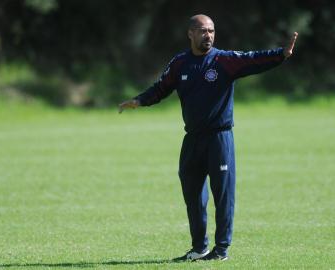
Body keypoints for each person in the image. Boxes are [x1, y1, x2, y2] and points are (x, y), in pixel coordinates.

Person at [119, 14, 298, 261]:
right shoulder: (180, 63)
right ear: (190, 34)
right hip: (192, 139)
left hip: (219, 139)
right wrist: (139, 101)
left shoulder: (224, 60)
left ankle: (221, 250)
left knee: (223, 196)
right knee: (192, 195)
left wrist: (281, 54)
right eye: (203, 31)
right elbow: (161, 88)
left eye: (212, 31)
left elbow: (252, 60)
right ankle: (199, 248)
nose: (209, 35)